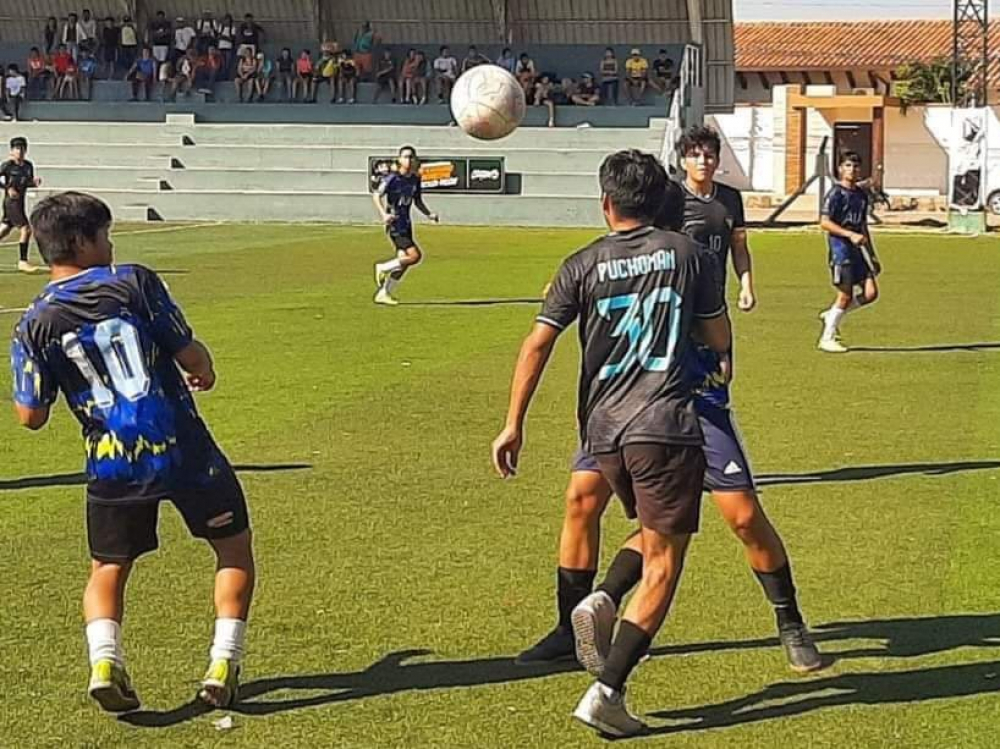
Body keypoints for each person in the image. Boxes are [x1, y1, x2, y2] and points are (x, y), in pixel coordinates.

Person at [492, 150, 731, 738]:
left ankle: (593, 604)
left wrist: (513, 423)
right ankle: (607, 691)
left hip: (602, 432)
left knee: (619, 522)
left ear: (606, 203)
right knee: (665, 560)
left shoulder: (581, 263)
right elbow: (718, 338)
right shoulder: (689, 256)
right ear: (660, 201)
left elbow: (536, 345)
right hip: (664, 427)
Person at [10, 191, 255, 713]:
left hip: (112, 461)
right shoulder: (132, 282)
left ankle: (104, 661)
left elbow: (30, 416)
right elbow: (188, 351)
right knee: (232, 549)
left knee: (108, 566)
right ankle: (223, 663)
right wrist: (202, 368)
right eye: (104, 234)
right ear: (80, 240)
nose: (111, 244)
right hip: (185, 449)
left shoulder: (32, 323)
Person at [818, 150, 881, 353]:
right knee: (844, 295)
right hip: (840, 250)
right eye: (847, 166)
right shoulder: (835, 194)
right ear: (840, 169)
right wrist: (848, 235)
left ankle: (833, 314)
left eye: (855, 166)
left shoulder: (861, 196)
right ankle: (827, 337)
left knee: (871, 293)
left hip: (857, 251)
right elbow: (825, 222)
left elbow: (862, 226)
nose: (852, 170)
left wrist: (871, 255)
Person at [372, 145, 439, 306]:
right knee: (415, 256)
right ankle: (383, 267)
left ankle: (384, 293)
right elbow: (376, 195)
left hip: (406, 224)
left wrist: (428, 214)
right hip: (395, 224)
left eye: (412, 157)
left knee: (404, 262)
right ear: (399, 160)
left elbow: (417, 200)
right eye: (406, 157)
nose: (409, 160)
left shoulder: (415, 179)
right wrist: (384, 214)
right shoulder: (392, 178)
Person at [0, 137, 42, 271]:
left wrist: (34, 183)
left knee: (5, 229)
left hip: (20, 202)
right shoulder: (7, 166)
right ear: (12, 151)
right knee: (26, 229)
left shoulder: (28, 166)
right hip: (11, 202)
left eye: (22, 148)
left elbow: (27, 182)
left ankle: (23, 261)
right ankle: (23, 261)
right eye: (17, 149)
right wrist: (7, 188)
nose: (20, 151)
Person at [217, 14, 237, 79]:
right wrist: (226, 38)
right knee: (222, 64)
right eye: (226, 20)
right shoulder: (221, 27)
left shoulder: (232, 28)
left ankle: (227, 76)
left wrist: (224, 37)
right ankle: (222, 76)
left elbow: (232, 39)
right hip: (221, 47)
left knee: (228, 64)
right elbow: (218, 37)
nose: (227, 22)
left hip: (229, 48)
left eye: (228, 20)